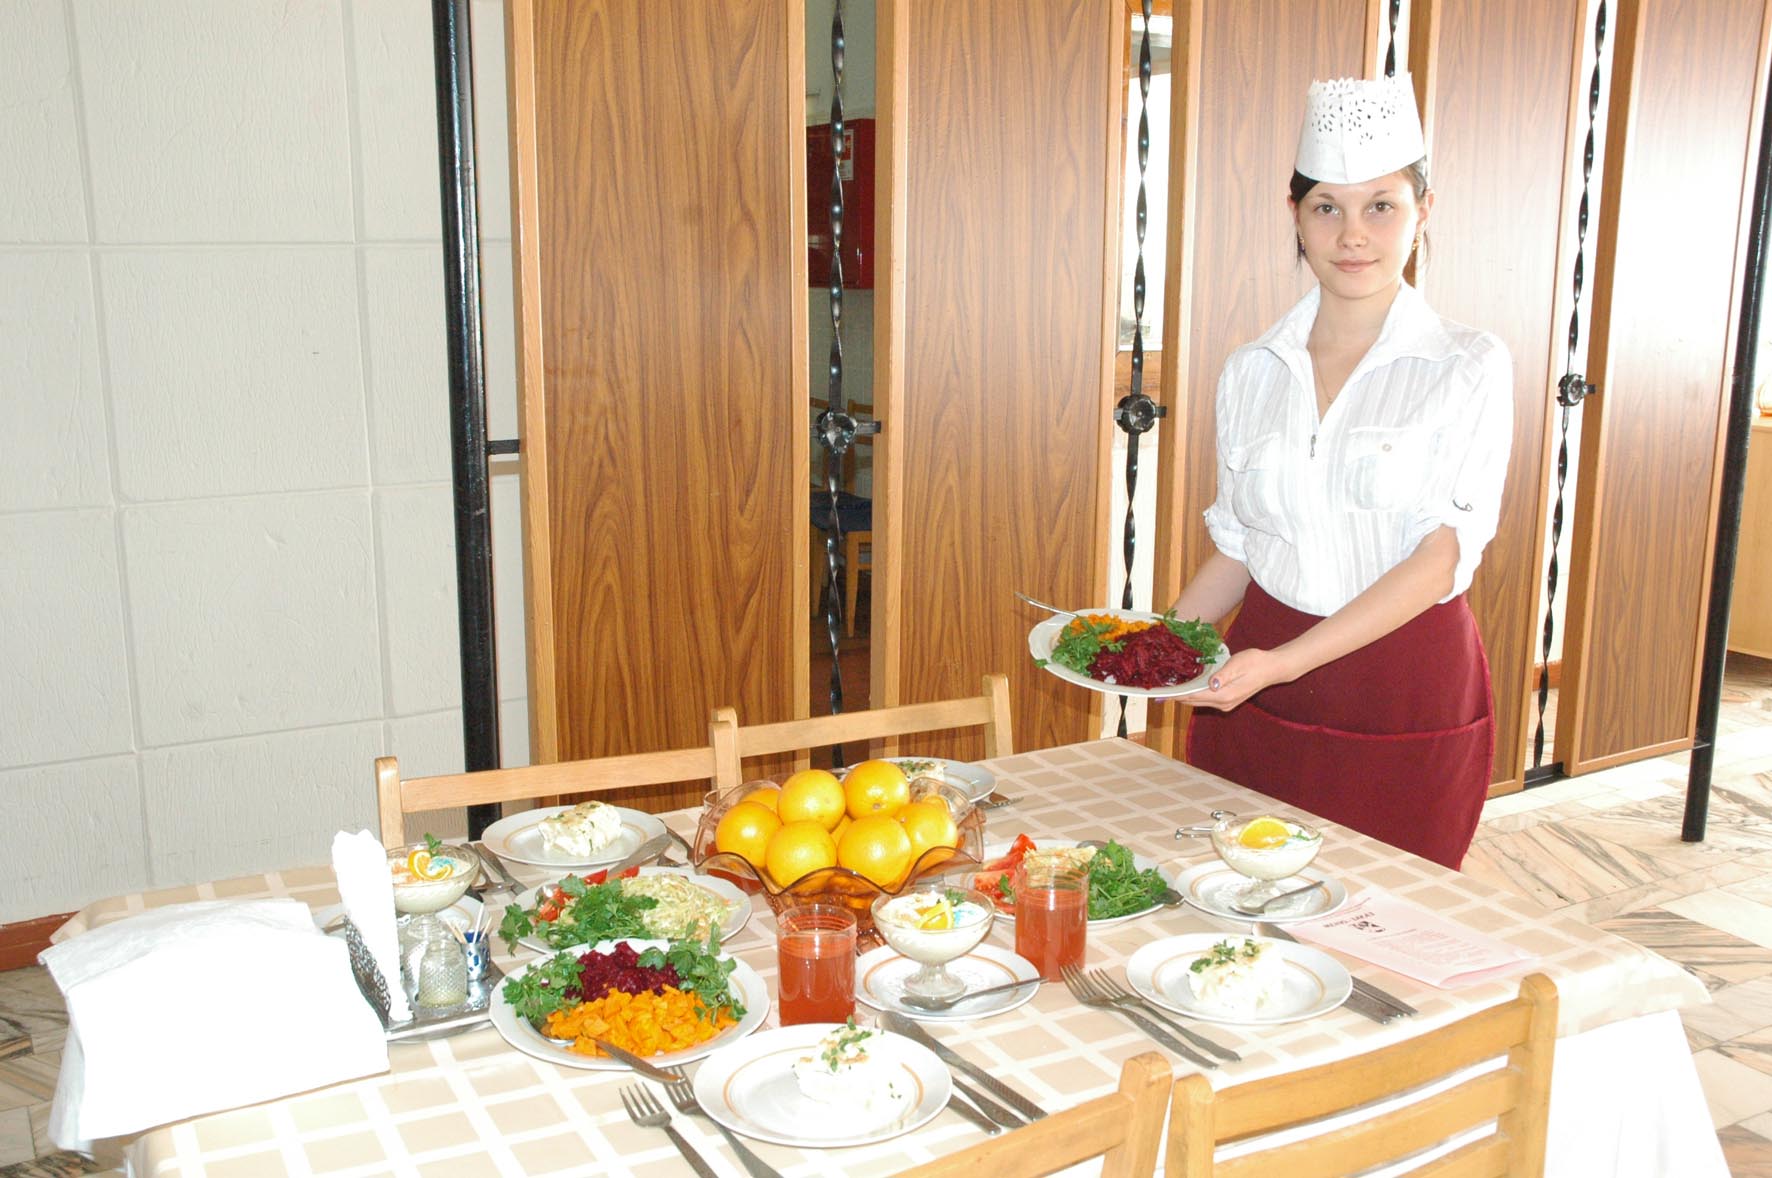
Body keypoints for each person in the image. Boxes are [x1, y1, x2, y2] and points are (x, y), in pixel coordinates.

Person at [1175, 74, 1513, 870]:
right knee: (1238, 902)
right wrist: (1154, 648)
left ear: (1423, 212)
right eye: (1327, 207)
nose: (1353, 235)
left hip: (1402, 684)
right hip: (1259, 690)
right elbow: (1241, 546)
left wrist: (1285, 663)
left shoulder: (1467, 364)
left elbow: (1439, 560)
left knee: (1387, 917)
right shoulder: (1252, 370)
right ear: (1295, 215)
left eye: (1381, 207)